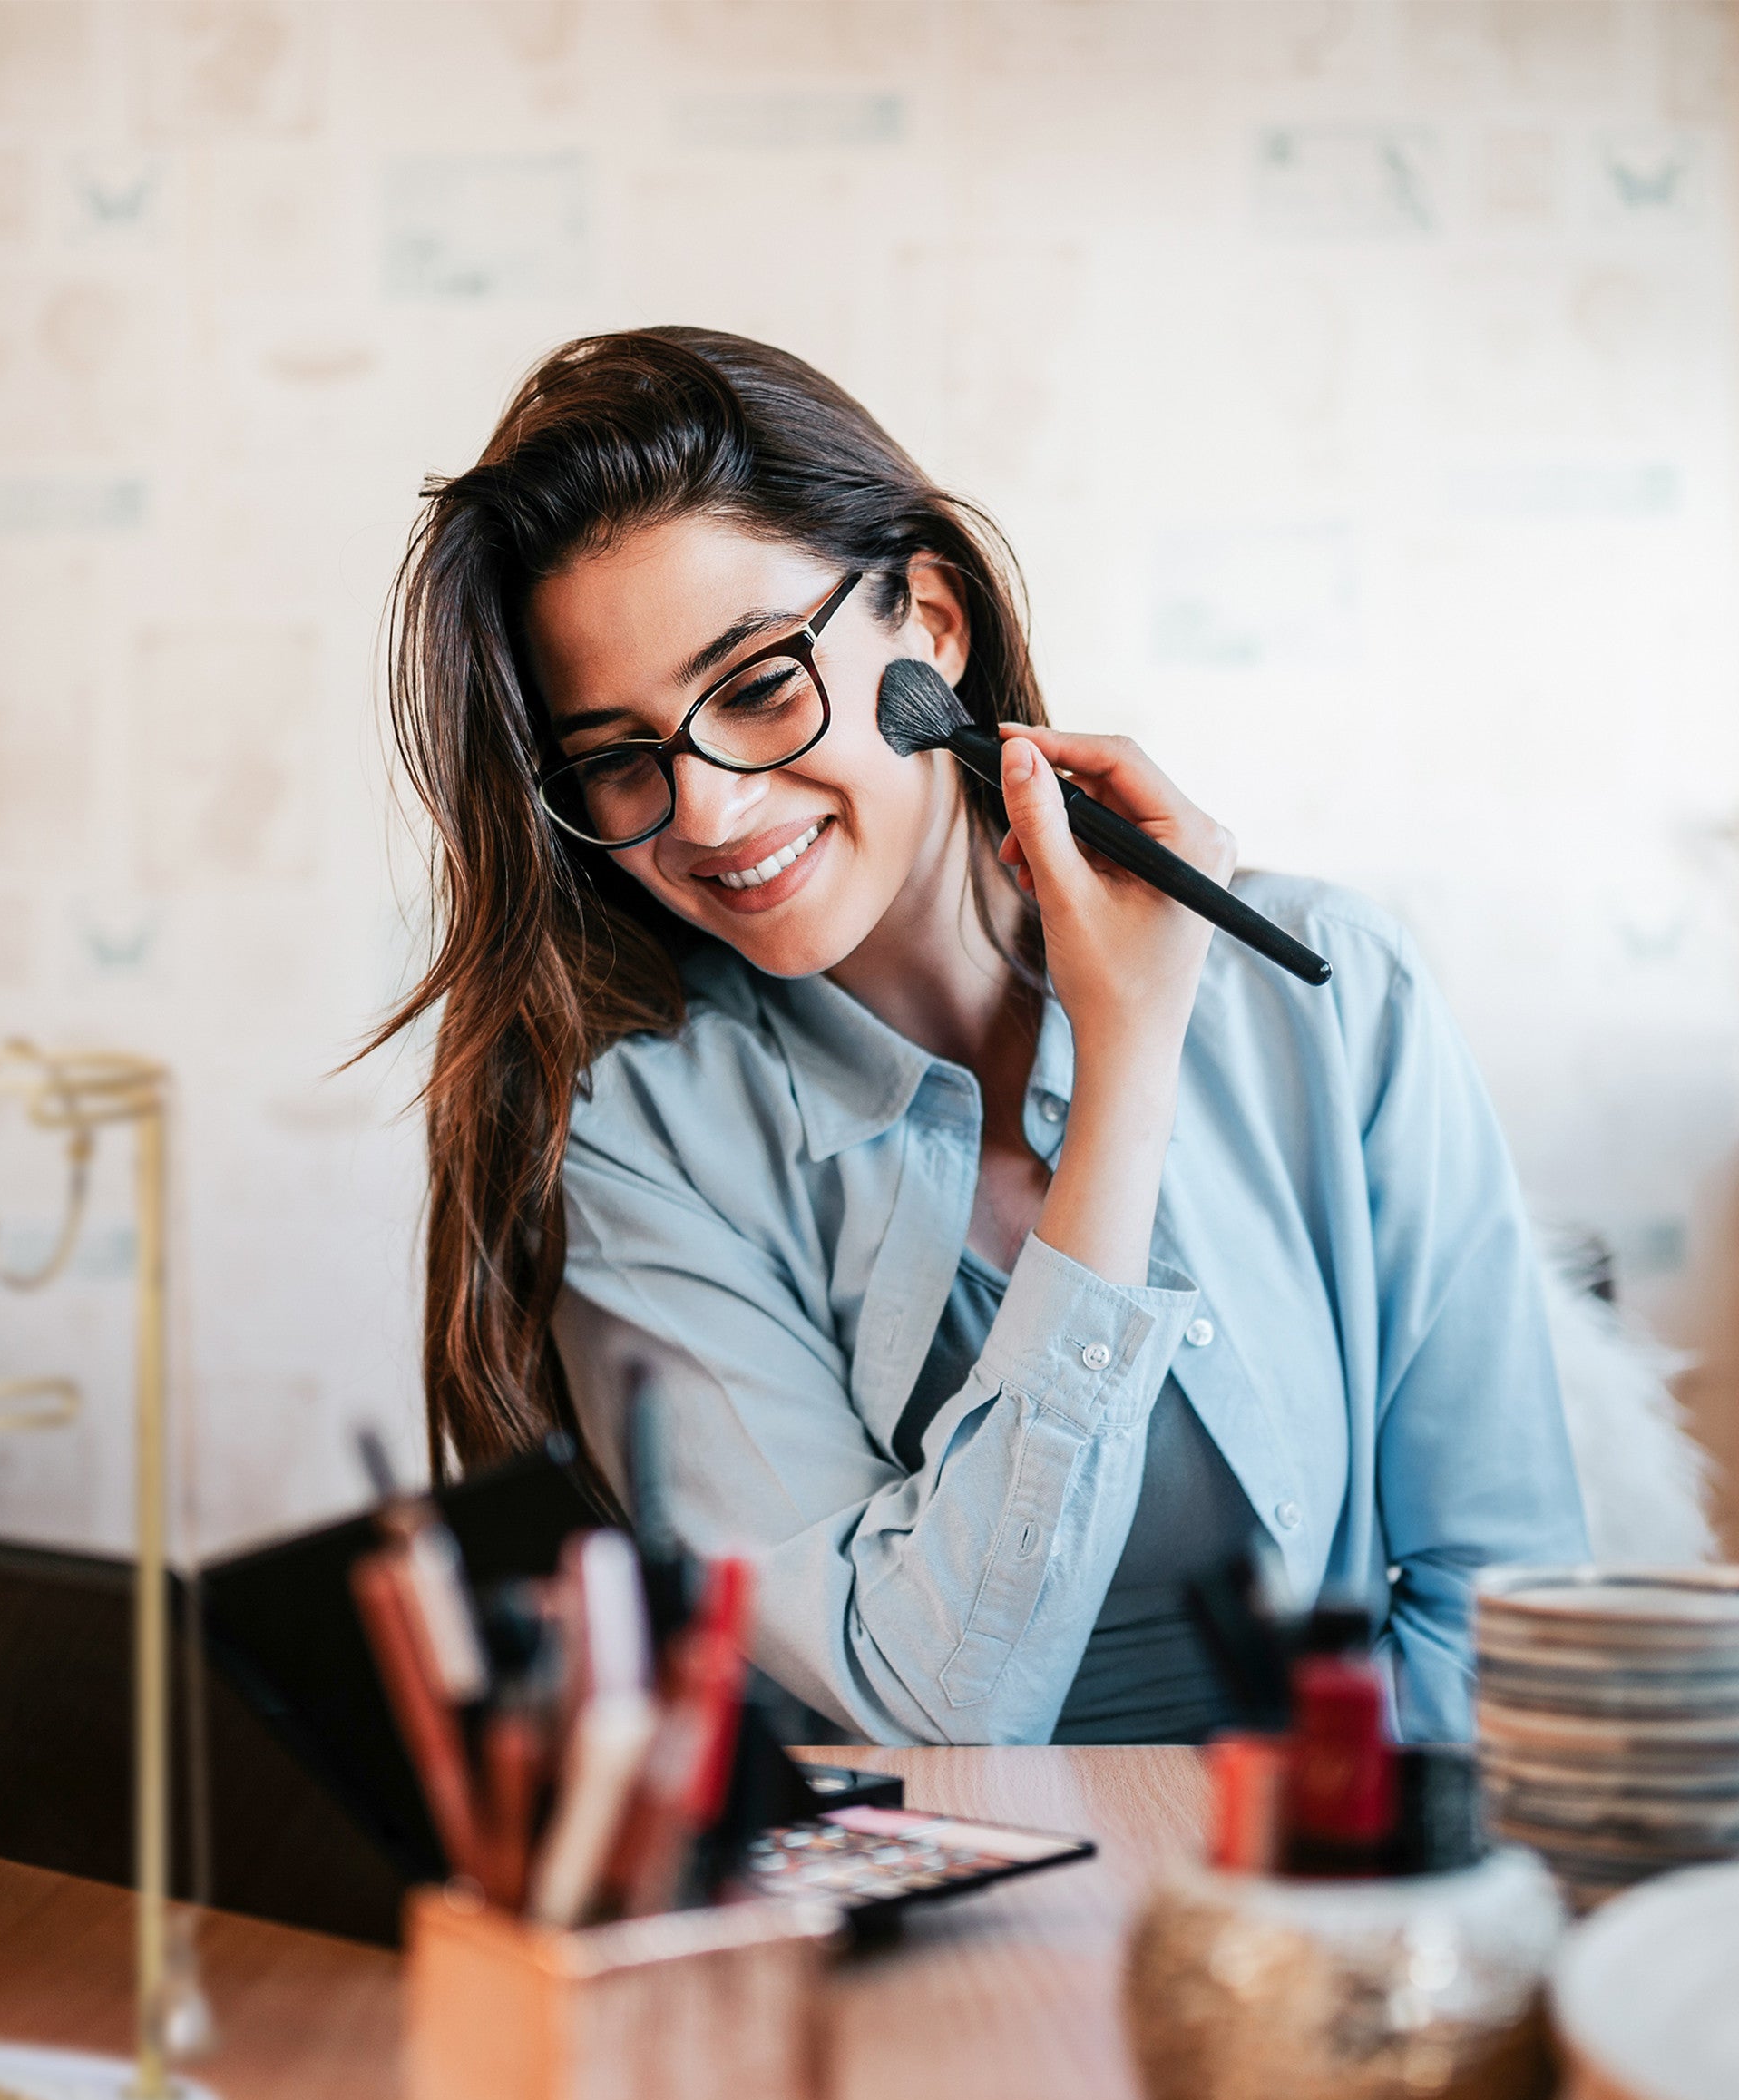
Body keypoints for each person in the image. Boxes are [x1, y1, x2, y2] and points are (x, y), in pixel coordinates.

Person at [374, 327, 1585, 1745]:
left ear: (931, 624)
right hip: (941, 1934)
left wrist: (1345, 1909)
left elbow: (1509, 1606)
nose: (704, 815)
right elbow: (919, 1702)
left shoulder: (1329, 994)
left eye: (760, 688)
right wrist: (1125, 1076)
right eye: (620, 759)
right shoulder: (642, 1140)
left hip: (1338, 1897)